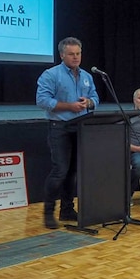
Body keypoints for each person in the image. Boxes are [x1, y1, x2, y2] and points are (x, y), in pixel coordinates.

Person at [36, 36, 99, 229]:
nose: (76, 57)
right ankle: (48, 212)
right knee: (60, 171)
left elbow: (95, 97)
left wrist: (89, 103)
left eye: (78, 53)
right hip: (60, 128)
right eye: (71, 54)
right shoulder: (51, 74)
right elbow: (42, 100)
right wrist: (68, 106)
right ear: (62, 55)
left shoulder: (87, 76)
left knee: (73, 172)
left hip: (81, 127)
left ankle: (67, 210)